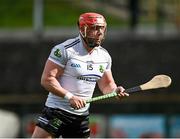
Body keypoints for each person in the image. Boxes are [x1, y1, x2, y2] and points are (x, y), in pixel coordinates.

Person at [32, 12, 129, 138]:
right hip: (57, 112)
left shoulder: (104, 56)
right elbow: (47, 79)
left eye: (102, 28)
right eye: (95, 28)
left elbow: (107, 84)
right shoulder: (64, 50)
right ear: (83, 29)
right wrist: (70, 97)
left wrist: (115, 90)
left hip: (81, 116)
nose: (99, 32)